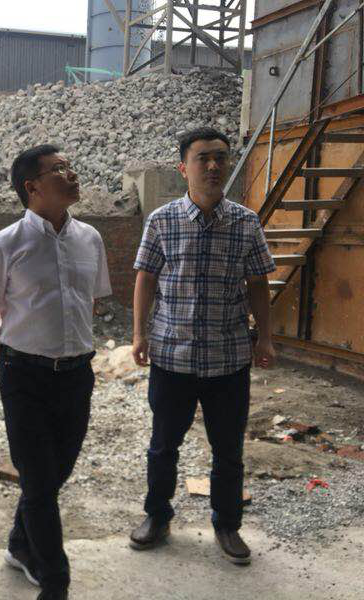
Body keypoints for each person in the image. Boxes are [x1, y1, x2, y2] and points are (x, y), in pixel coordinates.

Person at [0, 145, 112, 600]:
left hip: (76, 376)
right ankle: (55, 581)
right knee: (39, 484)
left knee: (51, 477)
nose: (72, 174)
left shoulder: (90, 238)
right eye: (59, 169)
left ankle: (19, 545)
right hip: (25, 379)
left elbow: (91, 300)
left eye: (71, 166)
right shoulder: (4, 243)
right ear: (32, 187)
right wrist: (11, 363)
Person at [129, 127, 276, 565]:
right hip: (172, 356)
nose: (213, 166)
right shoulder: (162, 220)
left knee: (228, 450)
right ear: (183, 167)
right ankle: (157, 516)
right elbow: (145, 278)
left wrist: (265, 336)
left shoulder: (246, 223)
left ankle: (227, 524)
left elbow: (258, 283)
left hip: (228, 358)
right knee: (163, 445)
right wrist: (139, 334)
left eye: (220, 157)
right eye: (202, 158)